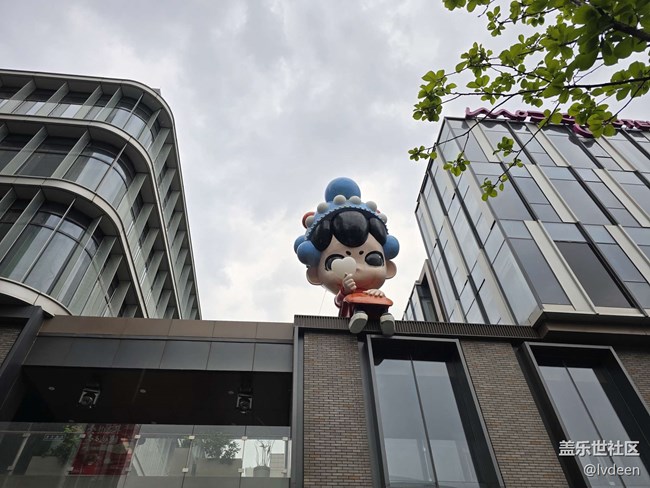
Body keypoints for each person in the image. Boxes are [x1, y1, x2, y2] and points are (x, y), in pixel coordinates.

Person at [294, 177, 399, 335]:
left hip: (371, 302)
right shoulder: (344, 292)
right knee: (354, 304)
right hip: (351, 305)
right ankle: (358, 315)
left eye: (373, 259)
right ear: (315, 274)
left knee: (381, 303)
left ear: (389, 268)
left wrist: (377, 293)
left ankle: (385, 317)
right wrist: (344, 291)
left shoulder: (370, 289)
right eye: (335, 260)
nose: (356, 267)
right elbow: (339, 301)